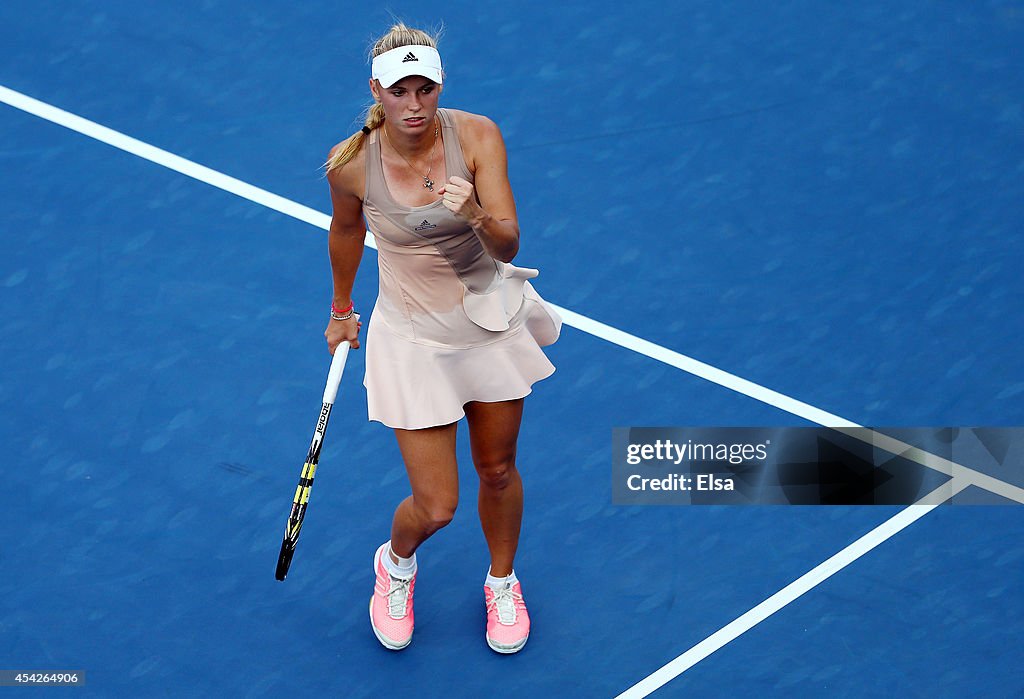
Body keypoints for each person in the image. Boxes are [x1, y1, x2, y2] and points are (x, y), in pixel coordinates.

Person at [322, 23, 561, 654]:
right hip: (415, 344)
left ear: (440, 86)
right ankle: (395, 565)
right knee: (435, 507)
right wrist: (342, 307)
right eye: (400, 90)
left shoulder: (478, 135)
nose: (414, 104)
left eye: (425, 88)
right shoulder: (350, 167)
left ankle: (502, 582)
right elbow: (346, 232)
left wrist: (475, 214)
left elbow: (510, 243)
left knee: (499, 469)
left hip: (490, 327)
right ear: (378, 90)